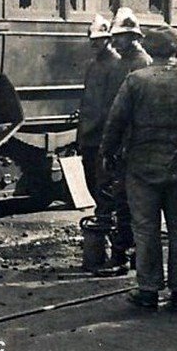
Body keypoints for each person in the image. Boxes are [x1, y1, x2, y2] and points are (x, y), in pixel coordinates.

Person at [100, 27, 177, 310]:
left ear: (151, 51)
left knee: (145, 228)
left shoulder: (135, 81)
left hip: (141, 164)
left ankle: (149, 289)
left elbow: (115, 121)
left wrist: (108, 152)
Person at [91, 7, 152, 278]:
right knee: (122, 200)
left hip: (133, 143)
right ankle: (126, 253)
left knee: (131, 202)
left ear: (134, 37)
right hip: (123, 142)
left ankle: (127, 255)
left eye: (120, 36)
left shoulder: (141, 64)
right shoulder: (122, 62)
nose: (114, 41)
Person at [77, 14, 120, 207]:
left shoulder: (116, 64)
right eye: (92, 40)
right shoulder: (93, 65)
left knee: (104, 182)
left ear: (108, 39)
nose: (94, 43)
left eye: (98, 40)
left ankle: (107, 221)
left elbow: (111, 105)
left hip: (102, 134)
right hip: (89, 134)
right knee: (91, 179)